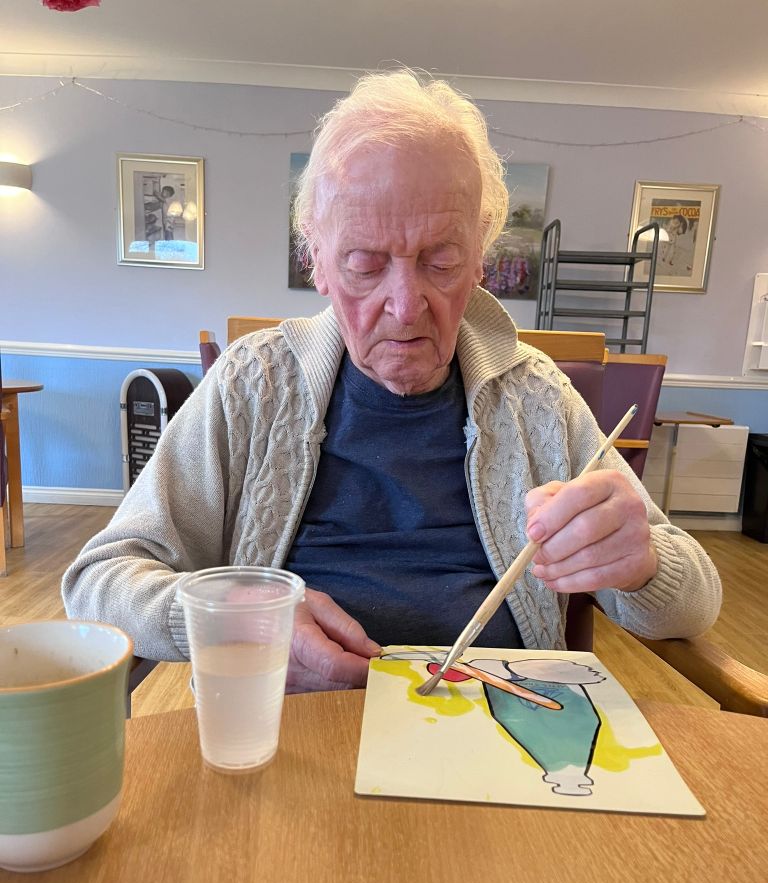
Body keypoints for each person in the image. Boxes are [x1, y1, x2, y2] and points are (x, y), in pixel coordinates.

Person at [62, 70, 721, 693]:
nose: (405, 306)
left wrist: (642, 564)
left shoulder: (538, 399)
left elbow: (694, 602)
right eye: (365, 264)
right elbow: (98, 581)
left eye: (441, 261)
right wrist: (234, 618)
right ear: (317, 261)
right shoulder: (251, 385)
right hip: (286, 728)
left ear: (481, 259)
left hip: (498, 725)